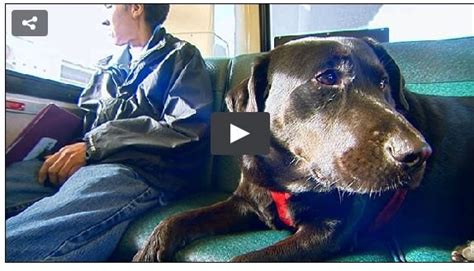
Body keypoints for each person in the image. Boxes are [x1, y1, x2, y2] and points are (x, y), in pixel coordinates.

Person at [6, 4, 212, 261]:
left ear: (136, 7)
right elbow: (88, 122)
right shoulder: (105, 68)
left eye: (109, 5)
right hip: (90, 160)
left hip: (143, 170)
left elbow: (186, 127)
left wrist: (94, 146)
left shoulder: (181, 57)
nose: (104, 18)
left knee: (34, 230)